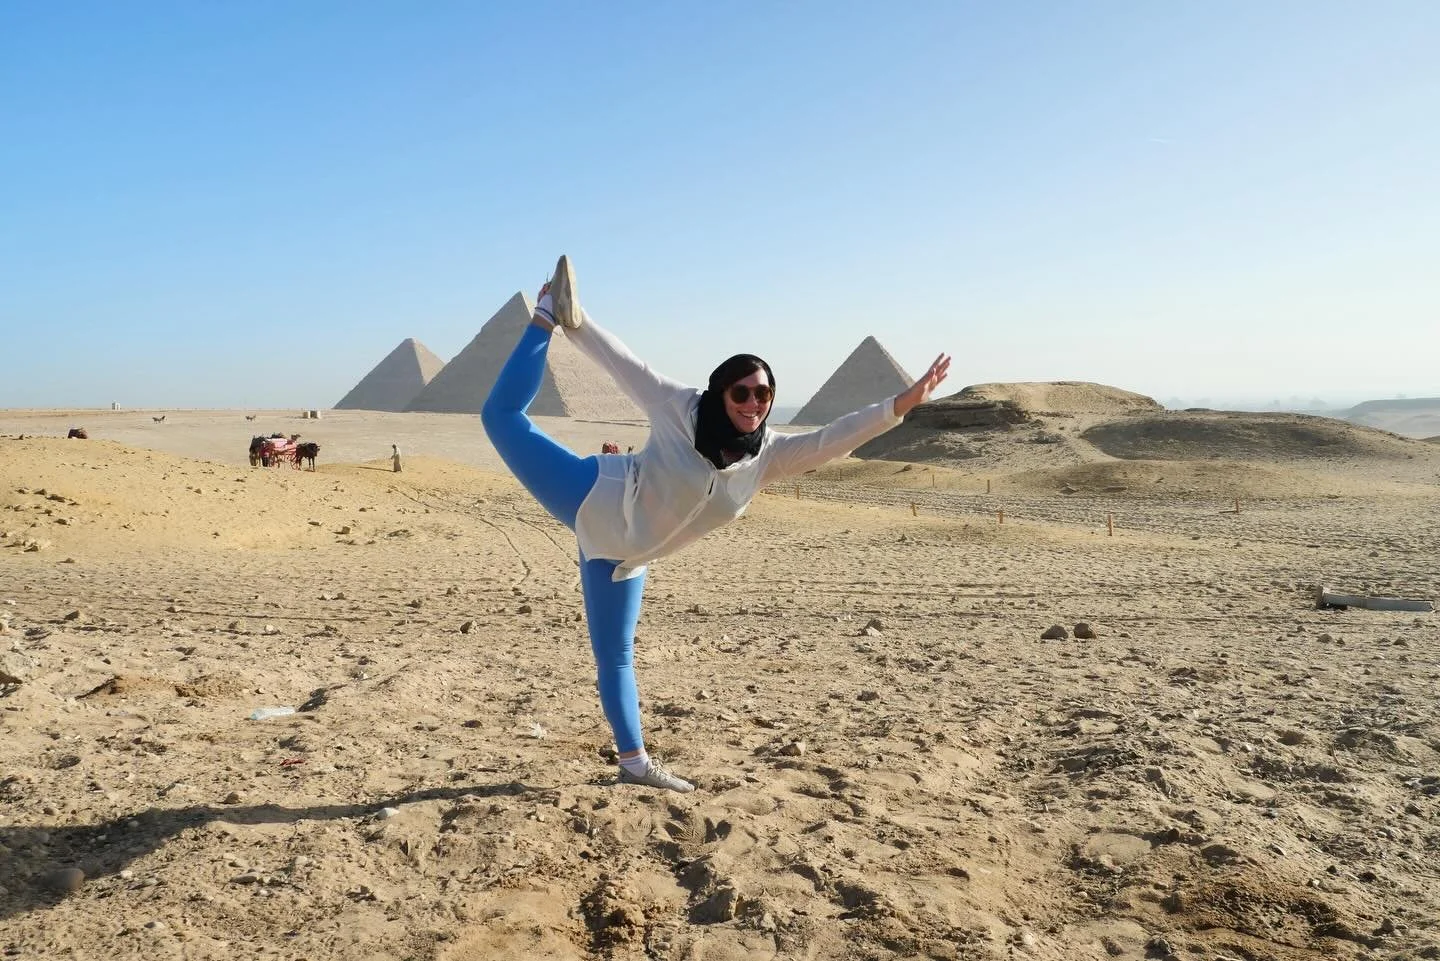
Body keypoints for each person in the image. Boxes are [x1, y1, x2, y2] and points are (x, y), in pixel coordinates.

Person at [481, 256, 950, 793]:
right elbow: (623, 363)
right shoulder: (679, 408)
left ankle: (634, 766)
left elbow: (834, 438)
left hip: (626, 558)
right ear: (721, 391)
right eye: (742, 392)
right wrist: (570, 319)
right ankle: (539, 317)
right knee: (500, 419)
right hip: (596, 498)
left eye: (764, 394)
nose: (754, 403)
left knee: (614, 656)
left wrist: (901, 405)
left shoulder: (768, 456)